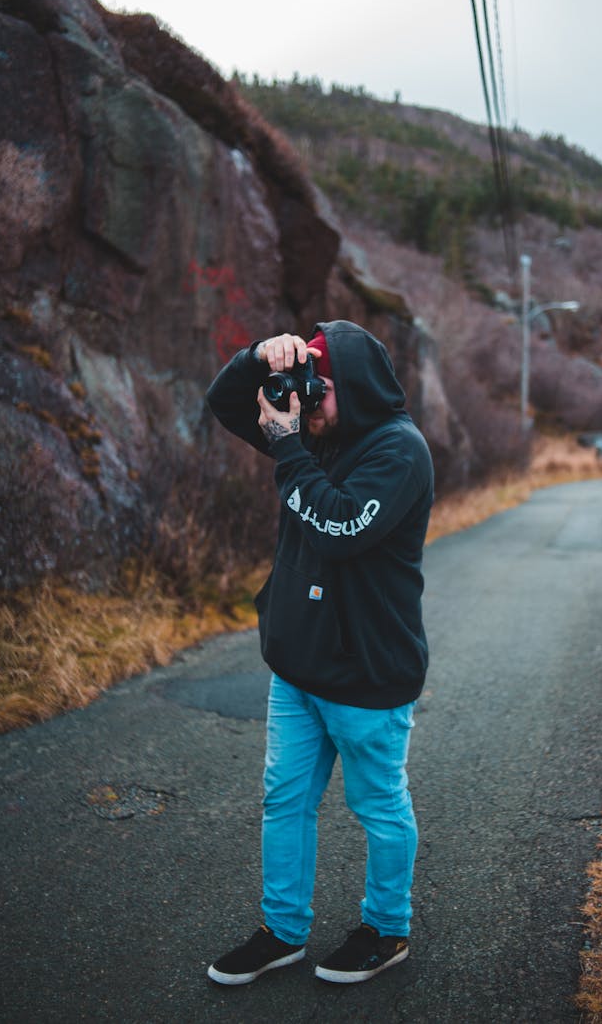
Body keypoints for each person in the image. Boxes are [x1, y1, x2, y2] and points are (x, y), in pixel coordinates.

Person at [205, 320, 434, 986]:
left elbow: (338, 525)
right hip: (299, 666)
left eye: (318, 388)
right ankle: (282, 931)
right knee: (284, 799)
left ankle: (387, 929)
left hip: (368, 670)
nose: (305, 403)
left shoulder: (400, 452)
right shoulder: (315, 434)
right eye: (305, 387)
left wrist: (288, 449)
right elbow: (225, 404)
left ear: (355, 385)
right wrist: (259, 356)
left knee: (378, 806)